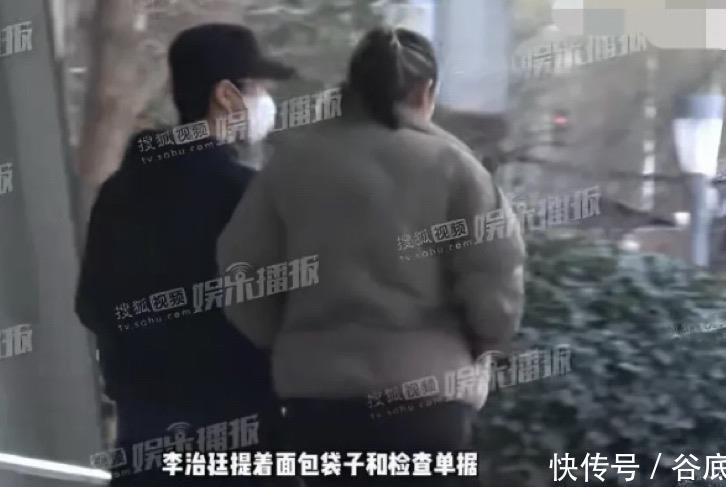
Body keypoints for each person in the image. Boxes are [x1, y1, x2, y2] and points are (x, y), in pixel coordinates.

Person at [218, 27, 526, 485]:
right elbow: (496, 284)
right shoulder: (455, 166)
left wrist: (288, 341)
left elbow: (243, 274)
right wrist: (481, 345)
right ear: (425, 92)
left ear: (351, 88)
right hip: (428, 404)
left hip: (319, 403)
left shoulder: (293, 164)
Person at [75, 23, 294, 486]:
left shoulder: (121, 191)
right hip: (236, 432)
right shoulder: (244, 195)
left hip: (143, 431)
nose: (266, 101)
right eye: (257, 88)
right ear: (225, 96)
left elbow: (91, 303)